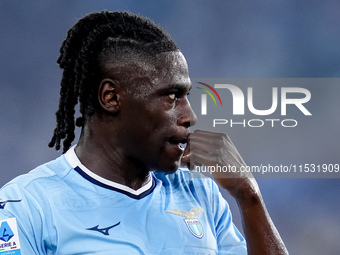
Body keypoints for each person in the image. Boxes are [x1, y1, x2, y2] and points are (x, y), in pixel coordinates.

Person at [0, 11, 288, 254]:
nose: (190, 116)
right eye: (173, 97)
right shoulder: (26, 208)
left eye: (186, 96)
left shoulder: (200, 192)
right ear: (111, 97)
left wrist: (249, 197)